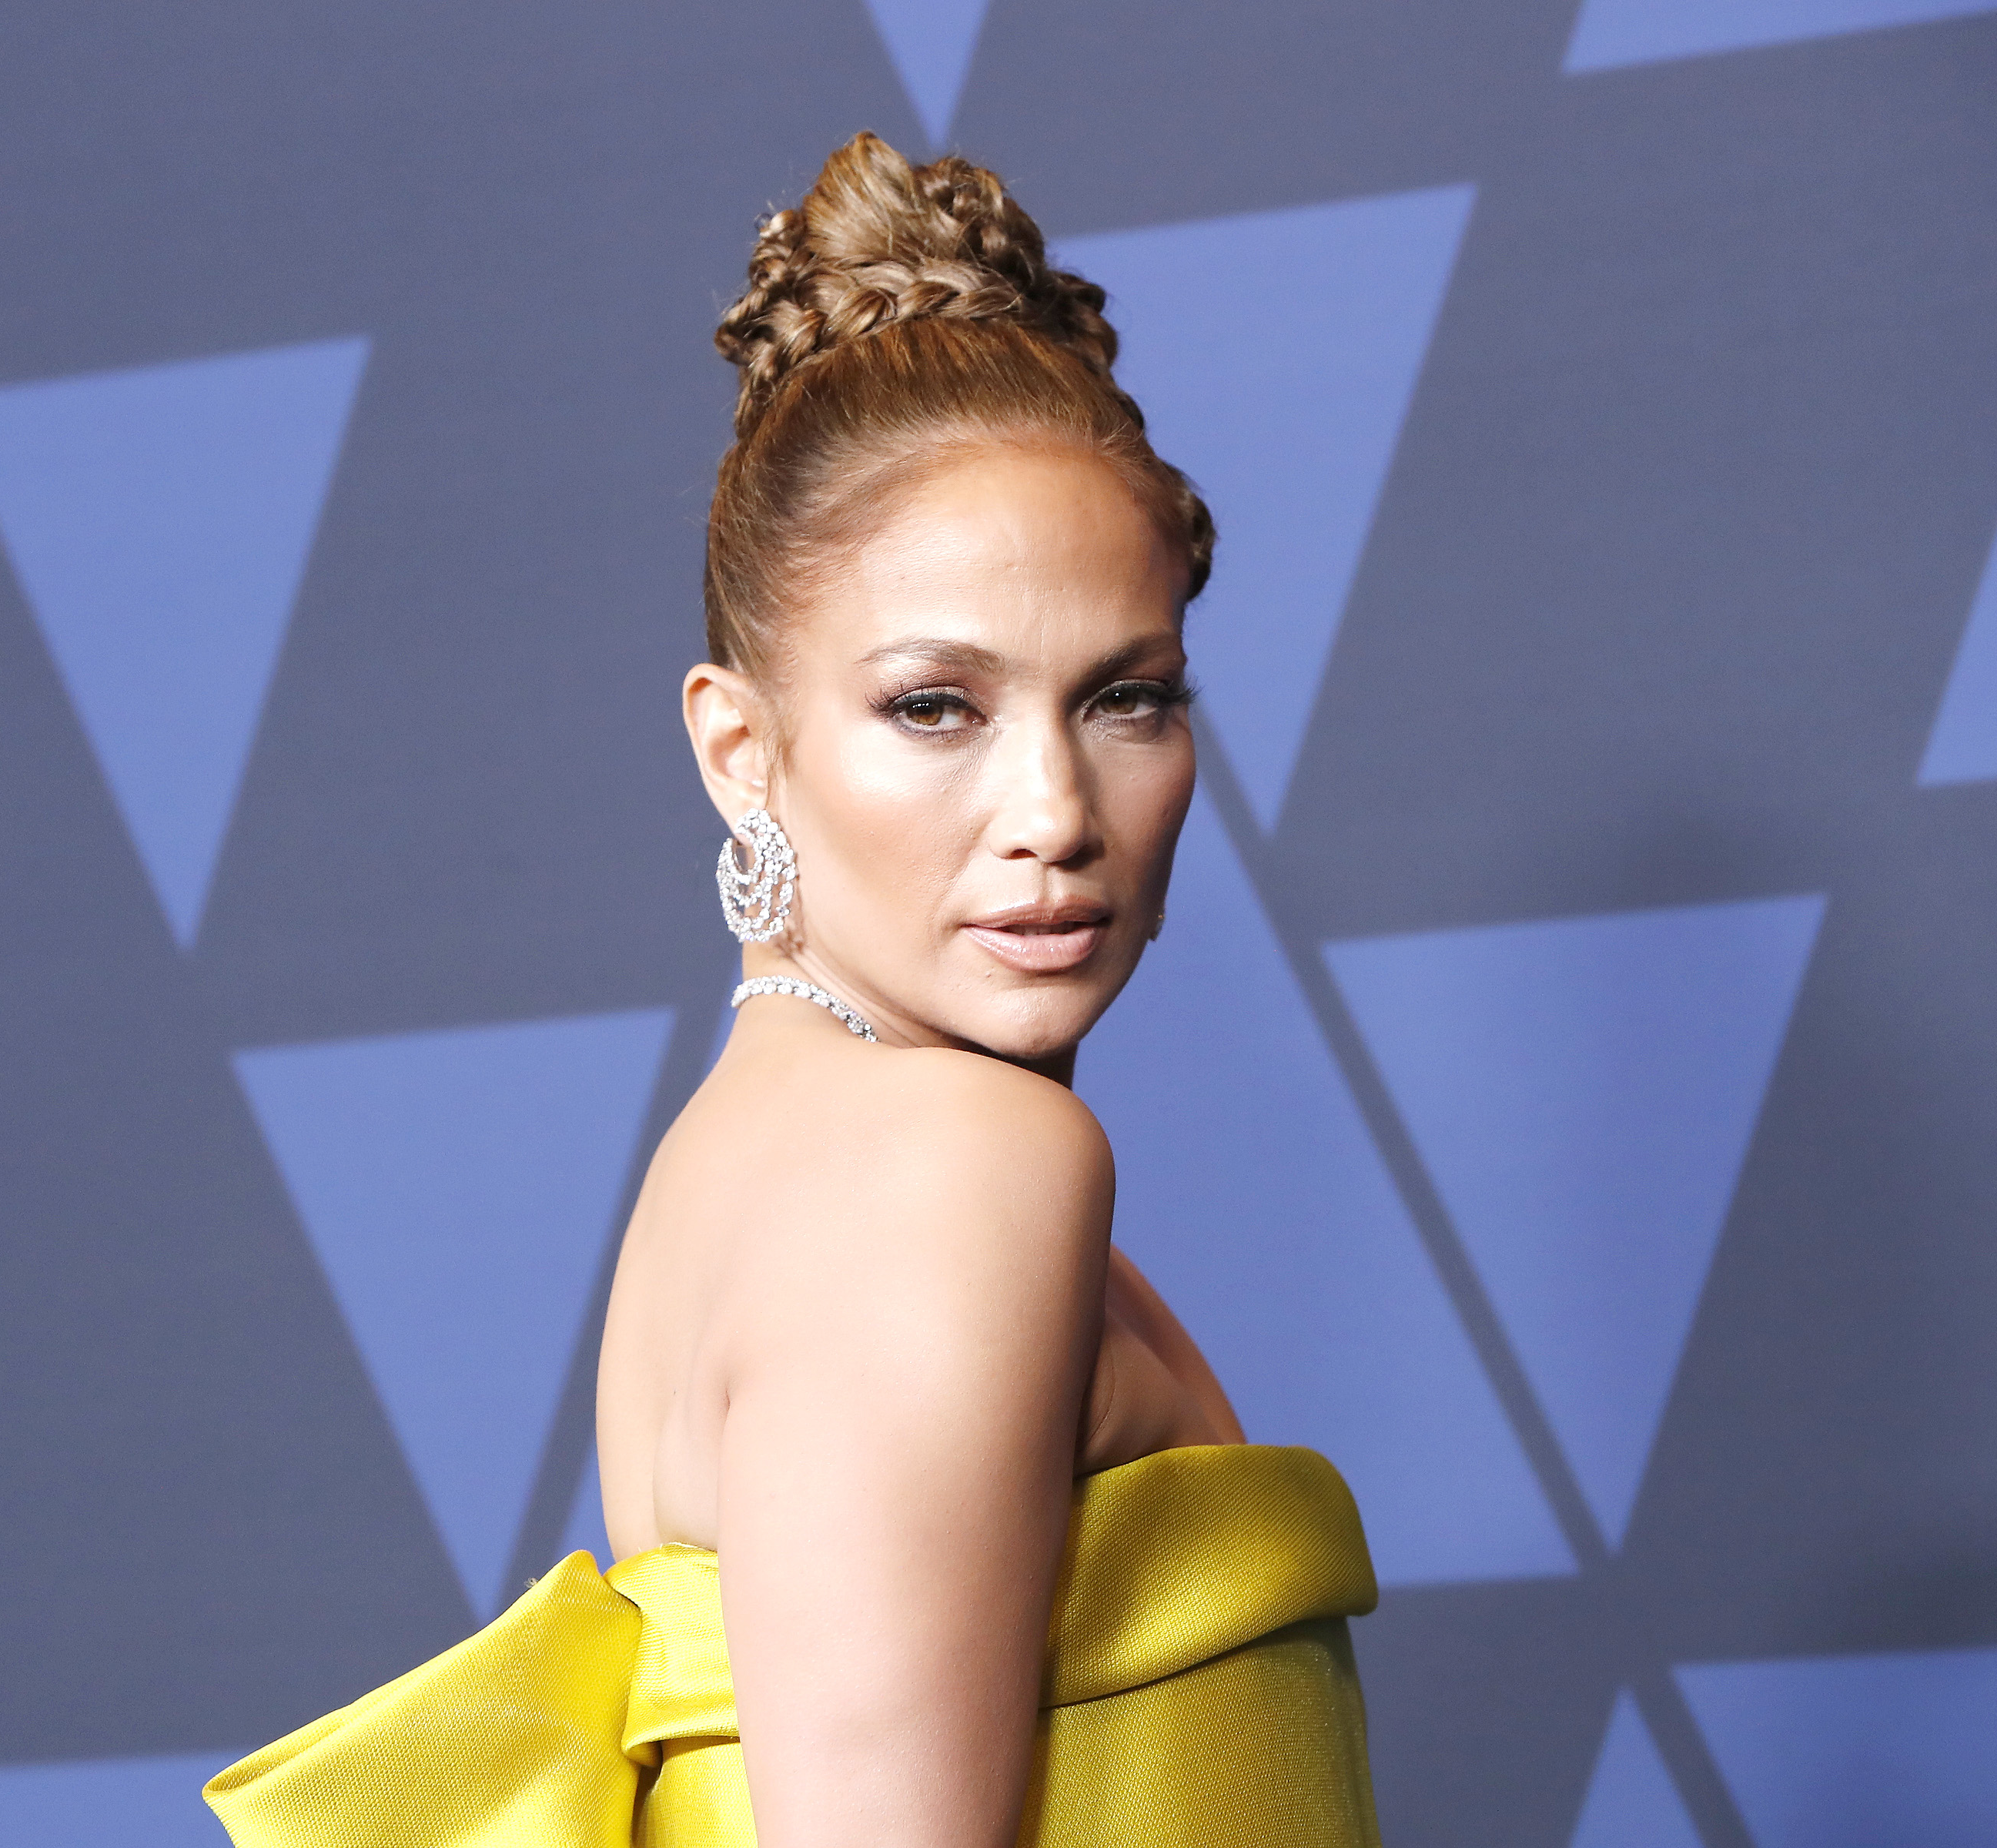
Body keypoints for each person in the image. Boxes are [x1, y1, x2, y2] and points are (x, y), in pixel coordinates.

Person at [203, 132, 1381, 1848]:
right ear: (741, 749)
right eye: (935, 706)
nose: (1055, 812)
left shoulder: (740, 1169)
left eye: (1127, 698)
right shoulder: (951, 1165)